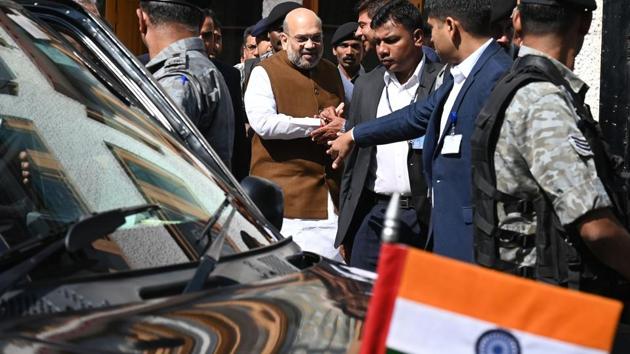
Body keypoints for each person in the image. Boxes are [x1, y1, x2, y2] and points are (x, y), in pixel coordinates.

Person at [327, 0, 512, 263]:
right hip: (430, 225)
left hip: (465, 233)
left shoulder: (496, 76)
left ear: (450, 27)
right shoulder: (458, 77)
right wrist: (354, 135)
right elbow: (418, 115)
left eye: (432, 29)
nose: (430, 39)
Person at [470, 0, 630, 297]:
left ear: (517, 21)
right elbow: (596, 229)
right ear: (584, 23)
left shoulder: (514, 85)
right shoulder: (544, 101)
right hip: (546, 305)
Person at [332, 0, 443, 270]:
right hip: (374, 213)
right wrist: (347, 227)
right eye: (378, 41)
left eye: (391, 40)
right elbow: (353, 164)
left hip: (424, 216)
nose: (382, 50)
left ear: (417, 38)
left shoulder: (442, 80)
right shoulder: (367, 85)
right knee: (363, 302)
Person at [244, 8, 345, 260]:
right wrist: (317, 125)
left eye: (317, 38)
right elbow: (264, 124)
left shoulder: (332, 72)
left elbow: (356, 114)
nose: (311, 45)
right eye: (302, 39)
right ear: (284, 39)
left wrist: (344, 124)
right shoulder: (264, 72)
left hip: (331, 201)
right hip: (286, 206)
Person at [137, 0, 234, 168]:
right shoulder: (204, 68)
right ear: (199, 21)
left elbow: (158, 165)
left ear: (142, 20)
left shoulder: (175, 80)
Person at [200, 9, 251, 180]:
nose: (209, 43)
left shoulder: (230, 75)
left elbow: (238, 140)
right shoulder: (149, 69)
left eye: (211, 37)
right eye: (202, 35)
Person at [355, 0, 440, 73]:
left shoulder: (434, 70)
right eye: (378, 42)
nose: (357, 33)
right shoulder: (366, 82)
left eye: (362, 25)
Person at [331, 22, 365, 106]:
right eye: (344, 46)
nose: (349, 52)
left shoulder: (375, 81)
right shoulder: (326, 82)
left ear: (363, 50)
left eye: (355, 46)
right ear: (334, 50)